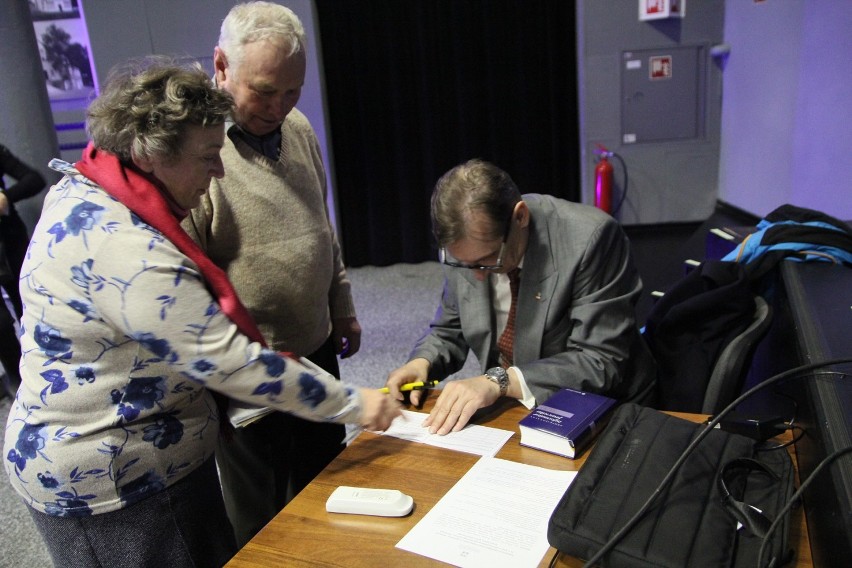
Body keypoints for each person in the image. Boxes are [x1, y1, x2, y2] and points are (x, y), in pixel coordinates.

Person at [3, 57, 400, 568]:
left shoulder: (88, 184)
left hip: (128, 457)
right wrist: (356, 404)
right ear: (150, 154)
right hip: (117, 480)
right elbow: (236, 366)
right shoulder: (133, 256)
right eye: (209, 156)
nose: (218, 171)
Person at [182, 2, 363, 546]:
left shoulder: (298, 128)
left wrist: (341, 303)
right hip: (247, 374)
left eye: (292, 92)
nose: (279, 107)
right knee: (261, 523)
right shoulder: (195, 152)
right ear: (220, 65)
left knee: (328, 494)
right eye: (264, 91)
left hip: (316, 349)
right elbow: (184, 279)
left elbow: (321, 226)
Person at [385, 159, 656, 434]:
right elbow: (450, 327)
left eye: (488, 260)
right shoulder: (467, 251)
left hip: (602, 405)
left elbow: (601, 360)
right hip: (509, 399)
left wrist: (499, 381)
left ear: (520, 217)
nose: (478, 275)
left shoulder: (591, 239)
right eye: (464, 264)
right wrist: (423, 363)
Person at [0, 143, 45, 398]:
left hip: (10, 240)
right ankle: (19, 382)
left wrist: (6, 197)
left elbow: (34, 179)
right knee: (2, 325)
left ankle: (40, 368)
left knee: (28, 307)